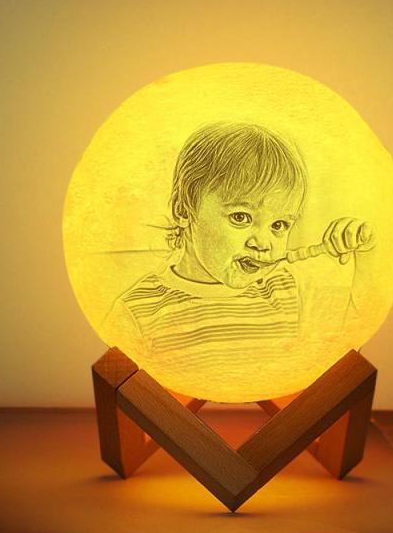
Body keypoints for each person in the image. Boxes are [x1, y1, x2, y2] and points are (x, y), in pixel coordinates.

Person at [101, 122, 375, 389]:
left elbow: (348, 334)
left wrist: (367, 253)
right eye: (241, 217)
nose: (263, 243)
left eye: (279, 225)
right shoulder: (138, 312)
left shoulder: (286, 289)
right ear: (184, 210)